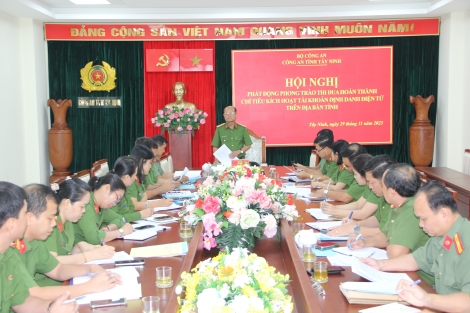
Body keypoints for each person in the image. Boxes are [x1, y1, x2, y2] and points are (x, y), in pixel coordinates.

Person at [361, 181, 470, 313]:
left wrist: (427, 299)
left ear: (444, 214)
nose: (420, 224)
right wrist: (380, 264)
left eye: (423, 219)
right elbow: (416, 259)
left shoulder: (466, 243)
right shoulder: (441, 235)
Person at [17, 184, 121, 299]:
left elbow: (57, 269)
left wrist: (90, 268)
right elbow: (33, 294)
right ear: (29, 218)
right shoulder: (11, 248)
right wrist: (89, 287)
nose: (54, 223)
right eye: (49, 218)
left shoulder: (35, 242)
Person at [0, 181, 78, 313]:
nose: (28, 218)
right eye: (25, 213)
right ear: (11, 224)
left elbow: (21, 302)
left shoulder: (8, 254)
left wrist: (51, 308)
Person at [348, 164, 430, 261]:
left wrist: (390, 243)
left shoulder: (412, 211)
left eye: (383, 186)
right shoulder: (397, 206)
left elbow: (395, 254)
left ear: (392, 192)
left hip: (417, 274)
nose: (382, 190)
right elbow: (385, 235)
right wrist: (364, 242)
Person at [43, 178, 115, 266]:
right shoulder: (50, 224)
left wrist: (79, 246)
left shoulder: (68, 221)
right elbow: (53, 262)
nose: (84, 211)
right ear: (67, 204)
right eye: (82, 206)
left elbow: (65, 254)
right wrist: (89, 256)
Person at [327, 154, 395, 237]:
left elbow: (388, 233)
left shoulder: (398, 200)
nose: (370, 186)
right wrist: (357, 224)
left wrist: (355, 229)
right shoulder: (383, 197)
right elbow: (377, 219)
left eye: (372, 183)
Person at [73, 173, 133, 245]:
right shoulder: (87, 204)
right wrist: (120, 232)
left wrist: (108, 228)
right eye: (117, 198)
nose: (115, 203)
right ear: (106, 188)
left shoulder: (100, 205)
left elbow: (121, 219)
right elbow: (94, 238)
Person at [106, 156, 167, 223]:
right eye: (135, 175)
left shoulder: (124, 188)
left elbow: (131, 207)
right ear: (126, 177)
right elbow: (115, 218)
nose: (136, 177)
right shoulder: (114, 192)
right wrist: (140, 215)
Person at [320, 154, 380, 220]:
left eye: (355, 174)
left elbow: (363, 214)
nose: (354, 177)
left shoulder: (375, 188)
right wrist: (333, 208)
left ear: (364, 174)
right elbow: (358, 205)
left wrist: (336, 211)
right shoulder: (368, 186)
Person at [128, 144, 174, 211]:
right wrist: (158, 203)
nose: (151, 166)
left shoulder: (140, 176)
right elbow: (134, 206)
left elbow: (143, 198)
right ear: (142, 162)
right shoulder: (130, 178)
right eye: (150, 163)